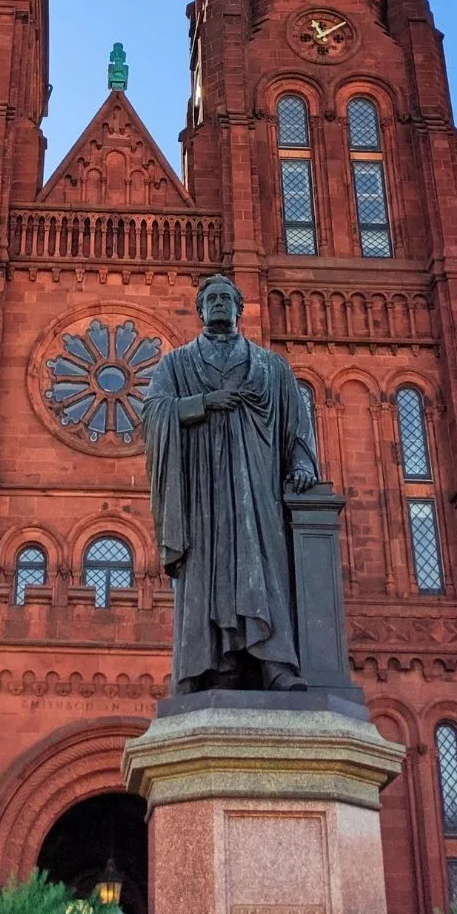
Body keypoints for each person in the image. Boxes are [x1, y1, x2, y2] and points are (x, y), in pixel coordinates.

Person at [142, 274, 318, 693]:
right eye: (211, 299)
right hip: (201, 488)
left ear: (239, 309)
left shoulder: (271, 366)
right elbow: (152, 414)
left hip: (256, 489)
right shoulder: (176, 364)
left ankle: (274, 665)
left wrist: (302, 464)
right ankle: (217, 666)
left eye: (226, 298)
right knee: (206, 569)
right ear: (200, 309)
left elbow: (297, 423)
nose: (219, 304)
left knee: (263, 567)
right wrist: (203, 403)